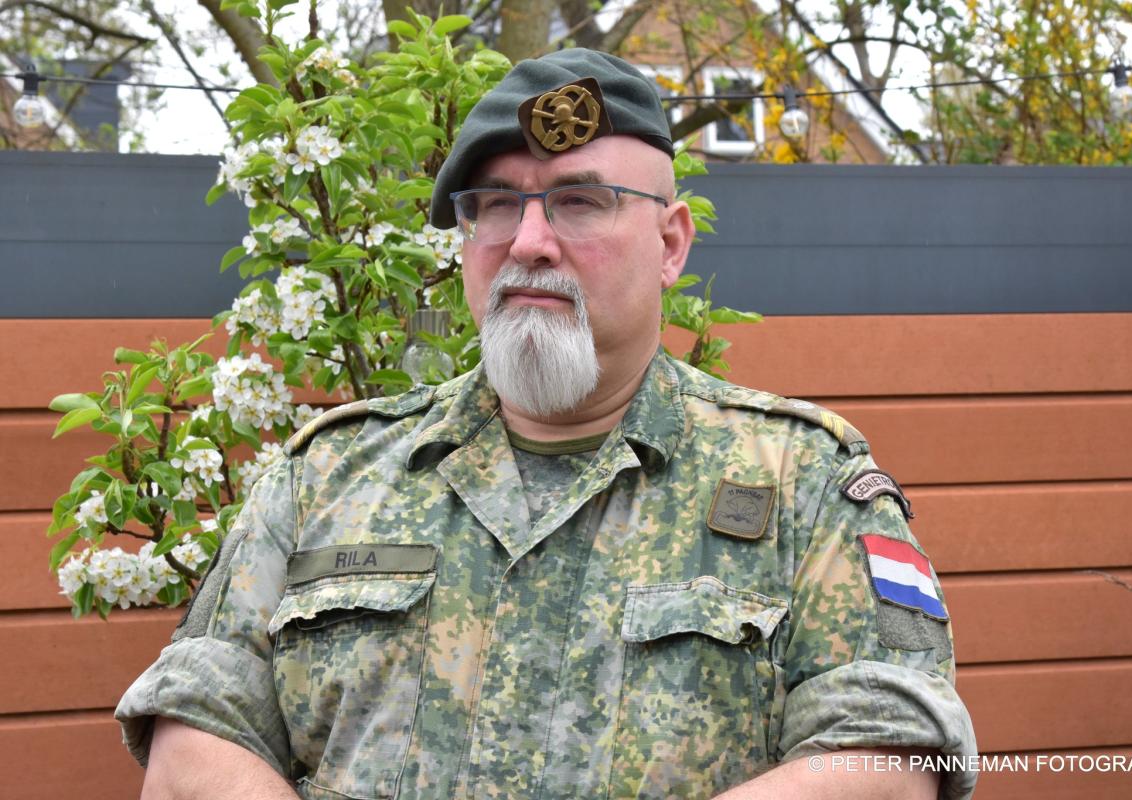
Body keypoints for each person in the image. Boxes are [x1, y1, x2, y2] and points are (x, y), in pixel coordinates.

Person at [117, 48, 977, 799]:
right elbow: (195, 738)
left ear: (670, 244)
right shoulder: (325, 477)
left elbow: (890, 759)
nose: (528, 241)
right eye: (496, 204)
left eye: (579, 200)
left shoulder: (807, 487)